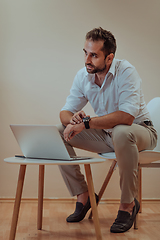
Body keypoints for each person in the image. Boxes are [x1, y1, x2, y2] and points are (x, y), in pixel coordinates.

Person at [58, 27, 157, 233]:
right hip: (108, 135)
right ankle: (83, 195)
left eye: (94, 55)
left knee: (121, 131)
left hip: (140, 132)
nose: (87, 59)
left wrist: (86, 123)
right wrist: (73, 119)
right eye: (85, 52)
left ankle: (127, 205)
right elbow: (65, 112)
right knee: (61, 131)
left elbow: (126, 118)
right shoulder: (83, 75)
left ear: (109, 58)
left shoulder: (126, 71)